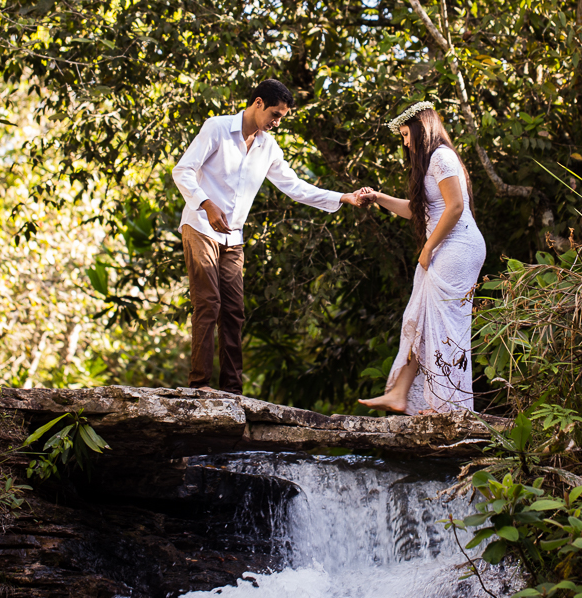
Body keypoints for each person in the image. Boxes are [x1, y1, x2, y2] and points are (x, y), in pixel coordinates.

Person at [172, 79, 365, 394]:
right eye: (275, 114)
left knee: (234, 311)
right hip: (200, 225)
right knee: (208, 303)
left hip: (233, 237)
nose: (277, 122)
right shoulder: (217, 128)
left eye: (282, 117)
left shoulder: (268, 147)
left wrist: (343, 197)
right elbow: (182, 171)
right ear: (257, 103)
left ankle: (232, 391)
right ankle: (199, 385)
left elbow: (295, 186)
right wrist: (206, 204)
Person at [358, 101, 486, 415]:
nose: (404, 142)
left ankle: (447, 405)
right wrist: (378, 197)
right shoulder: (432, 162)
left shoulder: (441, 156)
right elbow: (419, 211)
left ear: (420, 129)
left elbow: (455, 207)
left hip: (457, 247)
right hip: (449, 245)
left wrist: (428, 248)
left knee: (442, 325)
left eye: (405, 134)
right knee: (423, 319)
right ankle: (401, 393)